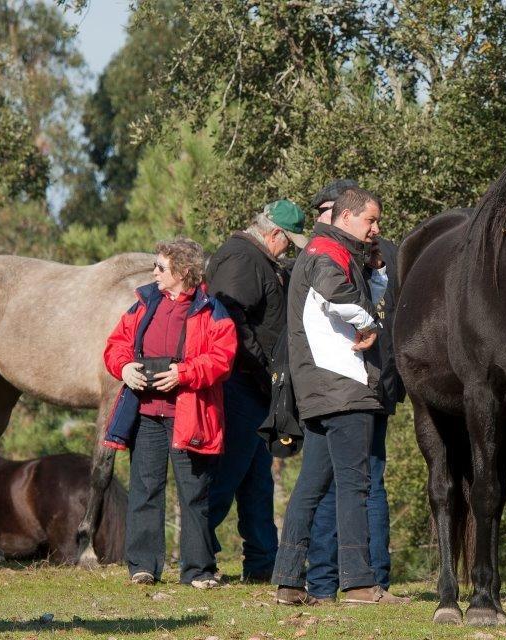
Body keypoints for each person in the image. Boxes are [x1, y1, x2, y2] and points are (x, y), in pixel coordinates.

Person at [271, 186, 408, 605]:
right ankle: (360, 584)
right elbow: (338, 294)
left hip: (320, 388)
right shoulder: (327, 251)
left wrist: (377, 275)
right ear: (345, 217)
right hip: (343, 386)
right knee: (356, 485)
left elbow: (351, 297)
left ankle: (289, 582)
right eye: (370, 220)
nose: (376, 229)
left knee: (312, 486)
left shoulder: (325, 251)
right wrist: (369, 326)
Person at [103, 237, 238, 588]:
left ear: (184, 271)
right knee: (145, 490)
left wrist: (184, 372)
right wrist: (124, 368)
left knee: (194, 493)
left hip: (189, 415)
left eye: (161, 267)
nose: (155, 273)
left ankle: (198, 571)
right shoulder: (144, 302)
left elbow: (222, 359)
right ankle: (142, 567)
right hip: (146, 415)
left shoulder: (211, 310)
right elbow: (116, 344)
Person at [205, 199, 308, 582]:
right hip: (240, 384)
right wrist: (264, 368)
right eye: (288, 242)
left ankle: (263, 561)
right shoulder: (243, 259)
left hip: (255, 386)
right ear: (274, 233)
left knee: (256, 480)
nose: (288, 250)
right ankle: (199, 559)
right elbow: (231, 320)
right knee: (226, 475)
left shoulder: (257, 259)